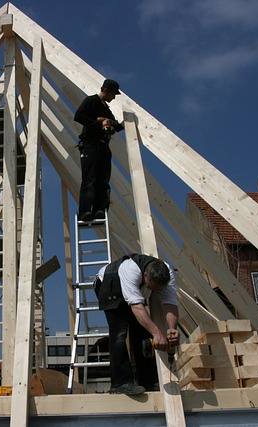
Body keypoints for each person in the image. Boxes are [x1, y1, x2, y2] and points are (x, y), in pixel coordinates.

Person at [94, 253, 179, 394]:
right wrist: (157, 333)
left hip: (131, 293)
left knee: (142, 332)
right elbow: (136, 306)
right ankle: (120, 383)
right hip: (109, 286)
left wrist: (171, 329)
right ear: (145, 275)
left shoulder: (167, 273)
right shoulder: (131, 270)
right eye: (152, 287)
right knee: (119, 331)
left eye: (159, 289)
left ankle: (149, 381)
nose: (155, 291)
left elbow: (170, 303)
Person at [74, 78, 125, 222]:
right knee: (90, 179)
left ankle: (99, 211)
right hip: (90, 145)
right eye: (113, 94)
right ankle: (85, 212)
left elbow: (113, 125)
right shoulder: (91, 101)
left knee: (103, 181)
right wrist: (98, 124)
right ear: (106, 91)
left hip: (103, 146)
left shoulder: (106, 109)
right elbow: (78, 116)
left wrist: (122, 124)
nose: (114, 97)